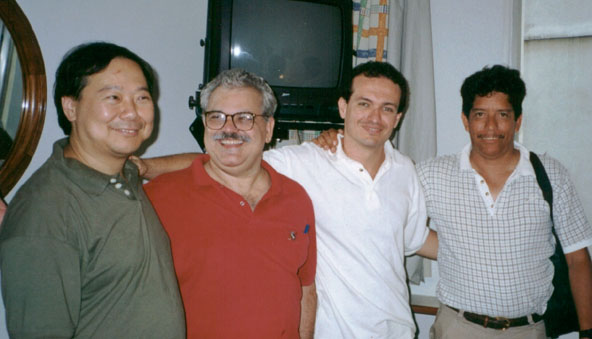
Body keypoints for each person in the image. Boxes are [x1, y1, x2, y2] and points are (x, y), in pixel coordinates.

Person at [137, 61, 438, 338]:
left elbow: (414, 239)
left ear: (398, 118)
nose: (374, 117)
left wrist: (476, 250)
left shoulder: (406, 171)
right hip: (333, 333)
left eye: (387, 108)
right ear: (343, 107)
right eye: (364, 104)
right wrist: (144, 167)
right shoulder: (304, 162)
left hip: (397, 330)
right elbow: (225, 155)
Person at [316, 65, 592, 339]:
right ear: (465, 120)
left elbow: (577, 259)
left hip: (529, 330)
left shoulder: (549, 174)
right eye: (479, 114)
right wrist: (339, 140)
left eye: (502, 114)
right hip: (458, 327)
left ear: (518, 121)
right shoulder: (431, 174)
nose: (490, 126)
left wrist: (589, 331)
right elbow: (383, 197)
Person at [0, 42, 186, 338]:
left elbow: (213, 164)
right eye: (113, 97)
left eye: (141, 98)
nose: (131, 112)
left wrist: (148, 167)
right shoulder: (46, 210)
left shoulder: (125, 174)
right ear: (70, 107)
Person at [143, 68, 317, 339]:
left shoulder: (296, 199)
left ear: (268, 128)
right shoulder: (159, 197)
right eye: (217, 117)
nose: (229, 129)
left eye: (245, 118)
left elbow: (305, 289)